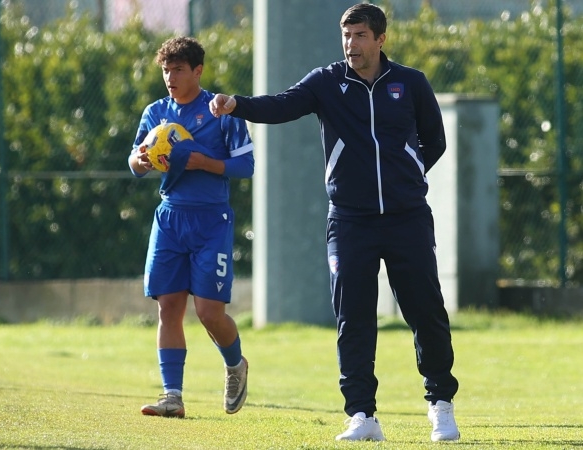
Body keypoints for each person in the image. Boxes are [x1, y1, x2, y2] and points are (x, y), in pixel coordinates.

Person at [209, 3, 460, 442]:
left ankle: (440, 405)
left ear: (381, 39)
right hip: (349, 222)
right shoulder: (326, 82)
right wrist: (237, 105)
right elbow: (282, 104)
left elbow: (434, 140)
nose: (351, 44)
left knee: (427, 313)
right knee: (353, 320)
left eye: (360, 35)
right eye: (346, 36)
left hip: (407, 219)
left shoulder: (411, 82)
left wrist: (410, 169)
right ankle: (362, 416)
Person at [128, 36, 254, 418]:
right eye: (166, 70)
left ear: (197, 71)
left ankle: (236, 365)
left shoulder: (221, 111)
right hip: (170, 218)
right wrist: (143, 161)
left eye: (178, 70)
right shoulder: (155, 113)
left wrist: (204, 162)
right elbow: (134, 161)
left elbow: (245, 167)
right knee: (168, 306)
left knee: (210, 313)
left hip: (211, 220)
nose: (170, 77)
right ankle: (172, 396)